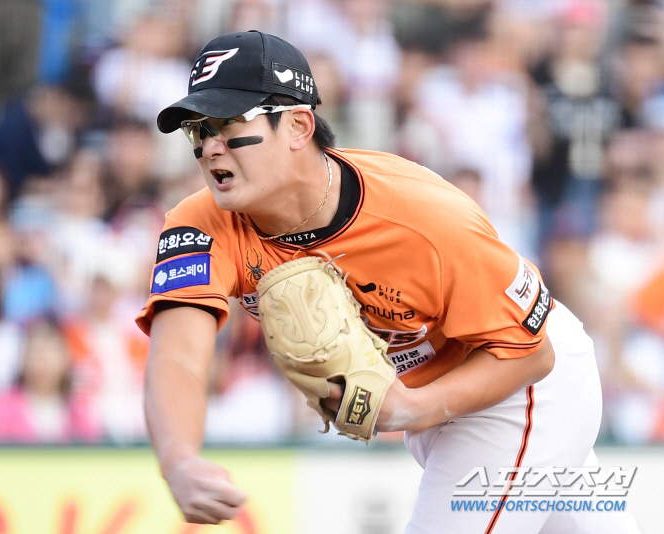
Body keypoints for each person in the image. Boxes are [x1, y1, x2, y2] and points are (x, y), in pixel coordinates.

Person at [136, 30, 641, 532]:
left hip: (522, 386)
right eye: (197, 130)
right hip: (433, 400)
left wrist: (412, 409)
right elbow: (178, 353)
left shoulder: (422, 216)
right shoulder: (199, 224)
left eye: (227, 123)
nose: (209, 147)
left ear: (297, 126)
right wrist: (178, 459)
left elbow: (533, 354)